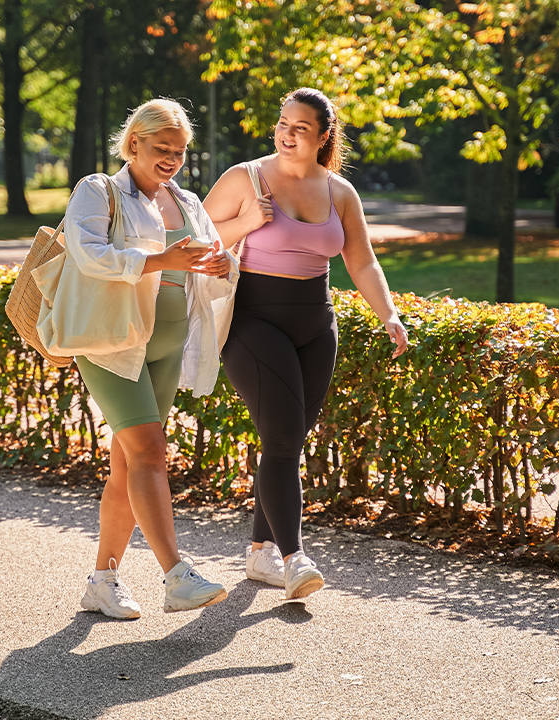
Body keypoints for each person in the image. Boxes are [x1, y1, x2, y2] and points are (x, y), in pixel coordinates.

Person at [203, 88, 409, 600]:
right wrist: (246, 222)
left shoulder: (339, 192)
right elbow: (196, 233)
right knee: (281, 437)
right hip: (253, 318)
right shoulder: (244, 178)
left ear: (323, 136)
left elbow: (362, 260)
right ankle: (294, 558)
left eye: (300, 127)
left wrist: (388, 313)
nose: (287, 133)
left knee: (288, 439)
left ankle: (259, 553)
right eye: (283, 123)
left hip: (316, 325)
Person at [65, 99, 238, 619]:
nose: (171, 159)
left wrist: (221, 261)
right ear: (133, 142)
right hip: (112, 342)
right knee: (148, 450)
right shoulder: (99, 190)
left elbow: (211, 259)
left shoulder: (184, 201)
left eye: (180, 152)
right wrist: (162, 259)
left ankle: (103, 580)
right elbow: (86, 250)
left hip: (167, 341)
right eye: (162, 148)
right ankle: (176, 575)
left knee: (127, 464)